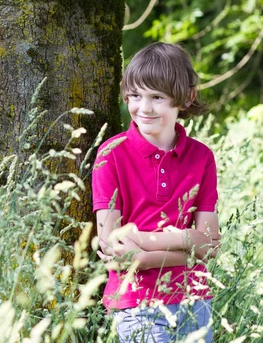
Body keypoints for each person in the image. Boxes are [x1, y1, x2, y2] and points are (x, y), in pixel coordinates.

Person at [92, 42, 221, 343]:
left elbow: (210, 246)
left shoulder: (202, 157)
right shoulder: (112, 154)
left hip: (195, 301)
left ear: (186, 98)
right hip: (137, 303)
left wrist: (143, 246)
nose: (144, 108)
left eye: (157, 97)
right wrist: (187, 243)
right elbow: (114, 249)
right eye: (135, 95)